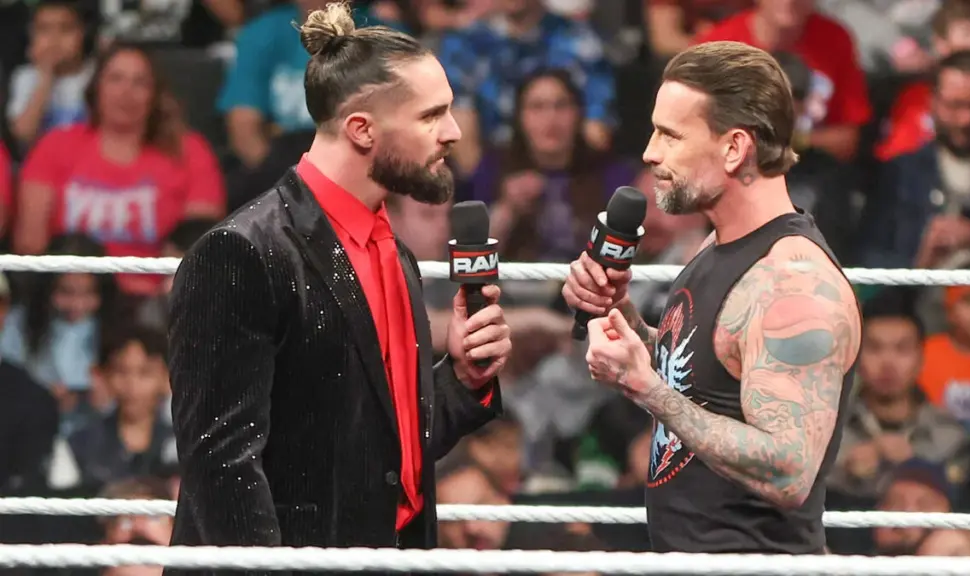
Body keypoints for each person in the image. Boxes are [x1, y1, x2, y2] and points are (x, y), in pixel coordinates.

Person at [166, 0, 513, 562]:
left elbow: (384, 456)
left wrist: (462, 379)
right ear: (361, 129)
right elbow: (221, 469)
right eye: (431, 115)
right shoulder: (242, 252)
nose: (452, 133)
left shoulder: (391, 251)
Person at [561, 40, 862, 554]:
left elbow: (789, 471)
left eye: (670, 135)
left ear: (734, 148)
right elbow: (702, 376)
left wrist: (645, 389)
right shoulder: (718, 246)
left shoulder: (793, 285)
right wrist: (621, 315)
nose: (650, 152)